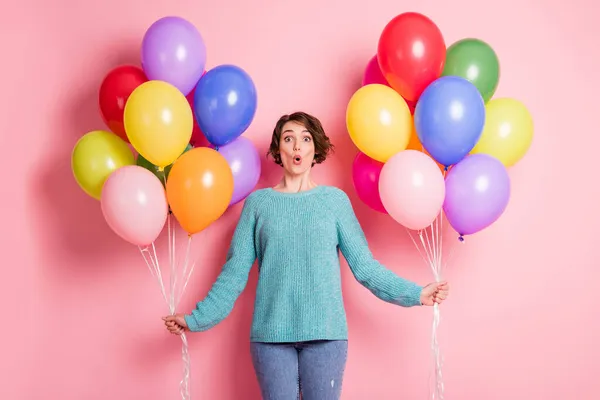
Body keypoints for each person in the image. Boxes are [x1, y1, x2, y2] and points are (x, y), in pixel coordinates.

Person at [163, 112, 449, 400]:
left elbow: (365, 268)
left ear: (315, 150)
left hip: (327, 336)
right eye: (288, 139)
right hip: (270, 339)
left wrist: (416, 294)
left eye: (305, 139)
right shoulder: (258, 205)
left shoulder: (334, 202)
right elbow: (233, 274)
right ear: (279, 150)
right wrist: (197, 319)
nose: (297, 146)